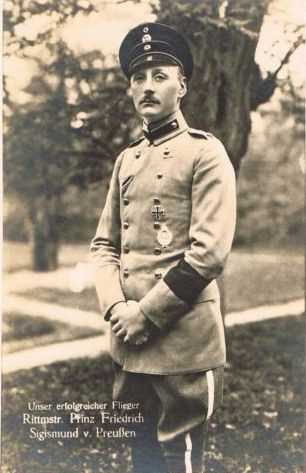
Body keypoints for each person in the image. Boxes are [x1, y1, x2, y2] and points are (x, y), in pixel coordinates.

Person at [90, 22, 236, 473]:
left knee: (178, 462)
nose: (147, 87)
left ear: (182, 86)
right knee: (143, 459)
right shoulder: (126, 159)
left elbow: (207, 254)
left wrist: (144, 315)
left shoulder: (205, 153)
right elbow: (103, 246)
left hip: (182, 346)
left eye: (160, 75)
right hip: (128, 346)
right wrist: (116, 308)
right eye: (139, 78)